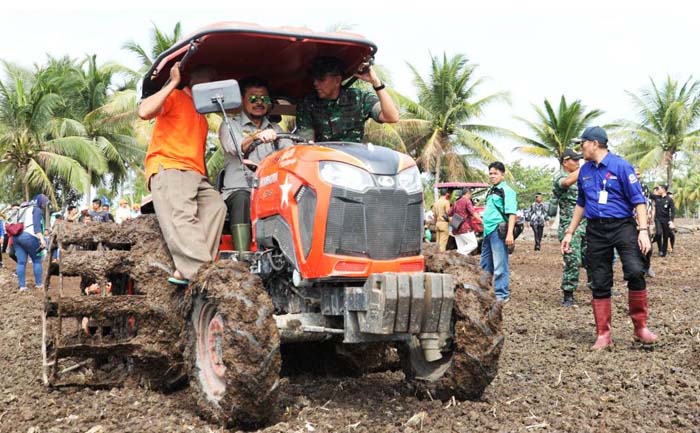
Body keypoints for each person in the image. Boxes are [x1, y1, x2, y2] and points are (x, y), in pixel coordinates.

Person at [562, 126, 658, 349]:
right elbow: (581, 204)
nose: (580, 148)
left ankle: (640, 328)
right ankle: (603, 334)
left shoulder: (621, 166)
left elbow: (639, 201)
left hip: (622, 226)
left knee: (635, 270)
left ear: (594, 143)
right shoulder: (585, 171)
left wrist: (643, 231)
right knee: (599, 279)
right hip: (595, 229)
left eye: (582, 143)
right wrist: (569, 233)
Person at [139, 62, 226, 286]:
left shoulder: (203, 117)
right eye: (209, 82)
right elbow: (144, 111)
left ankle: (188, 269)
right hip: (170, 166)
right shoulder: (176, 97)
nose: (211, 87)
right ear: (195, 82)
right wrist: (174, 82)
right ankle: (202, 273)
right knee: (183, 214)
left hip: (196, 173)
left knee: (217, 206)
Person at [218, 77, 289, 238]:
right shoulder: (229, 124)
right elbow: (237, 147)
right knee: (243, 198)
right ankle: (242, 256)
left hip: (269, 189)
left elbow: (290, 154)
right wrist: (257, 136)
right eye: (253, 98)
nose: (259, 102)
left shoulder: (276, 129)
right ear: (242, 100)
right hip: (239, 190)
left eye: (263, 98)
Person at [296, 56, 399, 143]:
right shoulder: (308, 104)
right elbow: (306, 144)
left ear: (337, 80)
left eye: (321, 79)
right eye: (314, 79)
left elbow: (391, 117)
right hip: (322, 162)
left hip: (352, 162)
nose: (315, 83)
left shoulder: (359, 98)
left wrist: (376, 82)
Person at [552, 149, 588, 307]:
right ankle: (568, 294)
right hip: (569, 227)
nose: (578, 162)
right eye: (574, 160)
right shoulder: (559, 176)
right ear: (565, 162)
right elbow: (566, 183)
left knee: (593, 258)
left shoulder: (582, 176)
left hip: (587, 224)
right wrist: (586, 167)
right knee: (573, 260)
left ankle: (599, 287)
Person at [480, 161, 518, 303]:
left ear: (503, 174)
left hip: (498, 230)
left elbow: (512, 213)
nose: (492, 176)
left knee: (500, 264)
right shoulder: (490, 190)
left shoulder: (507, 191)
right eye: (490, 173)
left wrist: (510, 234)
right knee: (484, 264)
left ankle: (502, 294)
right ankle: (484, 291)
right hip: (487, 231)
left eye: (495, 173)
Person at [12, 194, 49, 292]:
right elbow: (36, 227)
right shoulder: (36, 209)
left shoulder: (22, 208)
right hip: (28, 236)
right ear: (40, 202)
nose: (44, 205)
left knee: (21, 262)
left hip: (16, 236)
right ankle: (39, 284)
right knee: (37, 260)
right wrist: (42, 239)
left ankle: (22, 286)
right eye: (44, 203)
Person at [447, 187, 482, 256]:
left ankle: (459, 263)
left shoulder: (456, 202)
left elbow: (449, 214)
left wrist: (454, 222)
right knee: (473, 244)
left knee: (462, 248)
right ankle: (456, 254)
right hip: (465, 228)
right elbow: (473, 213)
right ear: (468, 193)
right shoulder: (467, 201)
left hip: (456, 228)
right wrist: (482, 221)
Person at [650, 184, 675, 257]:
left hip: (666, 220)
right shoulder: (656, 197)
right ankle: (660, 249)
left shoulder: (669, 199)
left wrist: (671, 221)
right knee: (658, 233)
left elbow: (673, 211)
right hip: (658, 219)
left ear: (664, 190)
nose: (658, 190)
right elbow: (648, 193)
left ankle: (663, 252)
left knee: (665, 236)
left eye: (659, 188)